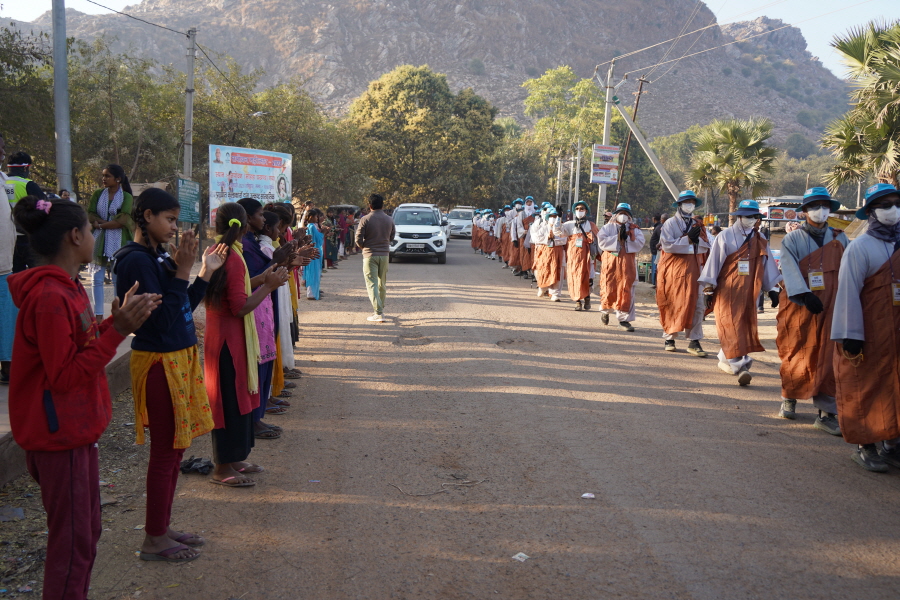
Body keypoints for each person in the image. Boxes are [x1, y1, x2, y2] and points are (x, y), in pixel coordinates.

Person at [9, 196, 160, 599]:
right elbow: (65, 376)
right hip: (59, 436)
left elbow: (76, 348)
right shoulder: (48, 299)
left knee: (85, 531)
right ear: (75, 236)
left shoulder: (66, 289)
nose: (95, 235)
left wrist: (114, 320)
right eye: (91, 230)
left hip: (73, 431)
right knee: (73, 542)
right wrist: (117, 330)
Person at [113, 189, 227, 562]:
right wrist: (181, 270)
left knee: (176, 449)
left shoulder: (156, 255)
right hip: (160, 363)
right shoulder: (135, 261)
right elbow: (159, 322)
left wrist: (203, 273)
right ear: (146, 215)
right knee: (166, 451)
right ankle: (153, 539)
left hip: (177, 358)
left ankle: (161, 527)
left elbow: (181, 308)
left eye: (176, 220)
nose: (175, 227)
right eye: (170, 219)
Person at [203, 203, 289, 487]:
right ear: (244, 224)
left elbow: (237, 289)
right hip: (228, 338)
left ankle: (235, 458)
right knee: (228, 401)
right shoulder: (232, 256)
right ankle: (221, 466)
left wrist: (263, 278)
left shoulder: (222, 252)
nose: (262, 219)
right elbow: (240, 306)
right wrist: (268, 287)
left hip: (228, 336)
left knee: (237, 397)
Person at [831, 183, 900, 472]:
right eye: (885, 205)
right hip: (868, 332)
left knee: (894, 388)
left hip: (896, 331)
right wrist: (851, 335)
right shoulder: (860, 247)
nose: (893, 210)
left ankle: (892, 443)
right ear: (871, 211)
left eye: (896, 203)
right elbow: (847, 292)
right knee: (866, 386)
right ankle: (865, 445)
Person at [775, 187, 847, 436]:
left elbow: (849, 270)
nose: (821, 211)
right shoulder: (792, 239)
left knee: (829, 355)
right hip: (799, 304)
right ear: (804, 211)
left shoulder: (840, 239)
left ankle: (827, 413)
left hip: (832, 304)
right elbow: (787, 267)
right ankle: (789, 397)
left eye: (825, 206)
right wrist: (804, 293)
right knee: (795, 350)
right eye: (815, 206)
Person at [699, 199, 782, 386]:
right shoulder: (725, 236)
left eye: (754, 216)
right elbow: (714, 263)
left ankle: (724, 357)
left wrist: (773, 289)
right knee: (730, 324)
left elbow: (767, 265)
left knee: (742, 326)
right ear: (739, 216)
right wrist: (708, 289)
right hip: (727, 289)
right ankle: (741, 365)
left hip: (750, 290)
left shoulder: (760, 240)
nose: (751, 219)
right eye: (747, 216)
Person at [657, 191, 710, 356]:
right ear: (679, 204)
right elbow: (667, 245)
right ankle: (669, 338)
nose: (690, 205)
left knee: (698, 305)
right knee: (672, 302)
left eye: (692, 202)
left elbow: (705, 245)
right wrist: (687, 240)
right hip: (674, 270)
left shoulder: (698, 224)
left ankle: (694, 341)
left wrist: (694, 241)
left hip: (694, 269)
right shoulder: (670, 224)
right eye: (686, 202)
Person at [87, 164, 135, 319]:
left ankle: (117, 315)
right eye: (103, 175)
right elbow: (91, 215)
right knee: (97, 278)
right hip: (99, 240)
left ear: (118, 179)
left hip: (120, 240)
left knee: (117, 279)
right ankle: (98, 315)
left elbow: (122, 220)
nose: (104, 179)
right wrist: (105, 223)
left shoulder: (126, 196)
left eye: (107, 176)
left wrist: (100, 225)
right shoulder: (97, 194)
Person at [598, 202, 645, 330]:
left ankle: (623, 319)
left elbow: (640, 242)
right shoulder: (608, 228)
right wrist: (617, 238)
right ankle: (605, 311)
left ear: (629, 216)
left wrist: (627, 239)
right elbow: (601, 241)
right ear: (616, 214)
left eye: (626, 213)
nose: (623, 216)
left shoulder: (634, 229)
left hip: (627, 263)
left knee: (626, 289)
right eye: (621, 213)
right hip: (611, 263)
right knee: (608, 288)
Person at [355, 193, 396, 322]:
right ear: (382, 205)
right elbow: (392, 236)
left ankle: (378, 312)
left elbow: (358, 238)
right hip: (384, 255)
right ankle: (380, 308)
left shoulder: (365, 219)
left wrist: (364, 247)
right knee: (381, 283)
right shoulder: (389, 219)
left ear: (370, 205)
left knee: (371, 283)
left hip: (369, 255)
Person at [4, 151, 46, 274]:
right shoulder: (28, 184)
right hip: (28, 238)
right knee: (38, 276)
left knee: (13, 279)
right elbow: (45, 209)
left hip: (6, 240)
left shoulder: (2, 183)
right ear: (25, 167)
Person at [563, 200, 600, 311]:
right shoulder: (569, 225)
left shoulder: (591, 226)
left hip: (588, 257)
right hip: (573, 257)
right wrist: (557, 219)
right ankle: (578, 301)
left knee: (588, 278)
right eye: (577, 209)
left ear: (586, 211)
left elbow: (598, 241)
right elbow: (559, 232)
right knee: (575, 278)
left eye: (582, 209)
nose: (579, 211)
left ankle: (587, 298)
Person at [0, 134, 16, 384]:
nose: (3, 152)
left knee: (6, 318)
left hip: (5, 264)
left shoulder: (4, 180)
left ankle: (8, 368)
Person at [534, 206, 567, 301]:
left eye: (555, 216)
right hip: (545, 252)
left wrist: (554, 239)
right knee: (544, 270)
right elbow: (537, 238)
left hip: (558, 253)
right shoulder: (543, 228)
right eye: (551, 216)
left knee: (558, 272)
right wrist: (547, 238)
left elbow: (564, 240)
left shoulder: (562, 228)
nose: (553, 218)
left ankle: (555, 293)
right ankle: (543, 287)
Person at [304, 208, 326, 300]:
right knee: (314, 272)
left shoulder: (310, 226)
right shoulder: (312, 226)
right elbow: (318, 239)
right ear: (311, 217)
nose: (317, 218)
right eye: (316, 216)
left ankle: (313, 292)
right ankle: (312, 294)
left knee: (313, 272)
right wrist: (324, 233)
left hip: (313, 251)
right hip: (314, 251)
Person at [649, 213, 664, 287]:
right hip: (655, 251)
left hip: (657, 252)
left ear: (654, 219)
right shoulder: (658, 227)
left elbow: (661, 239)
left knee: (656, 268)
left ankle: (656, 283)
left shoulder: (659, 227)